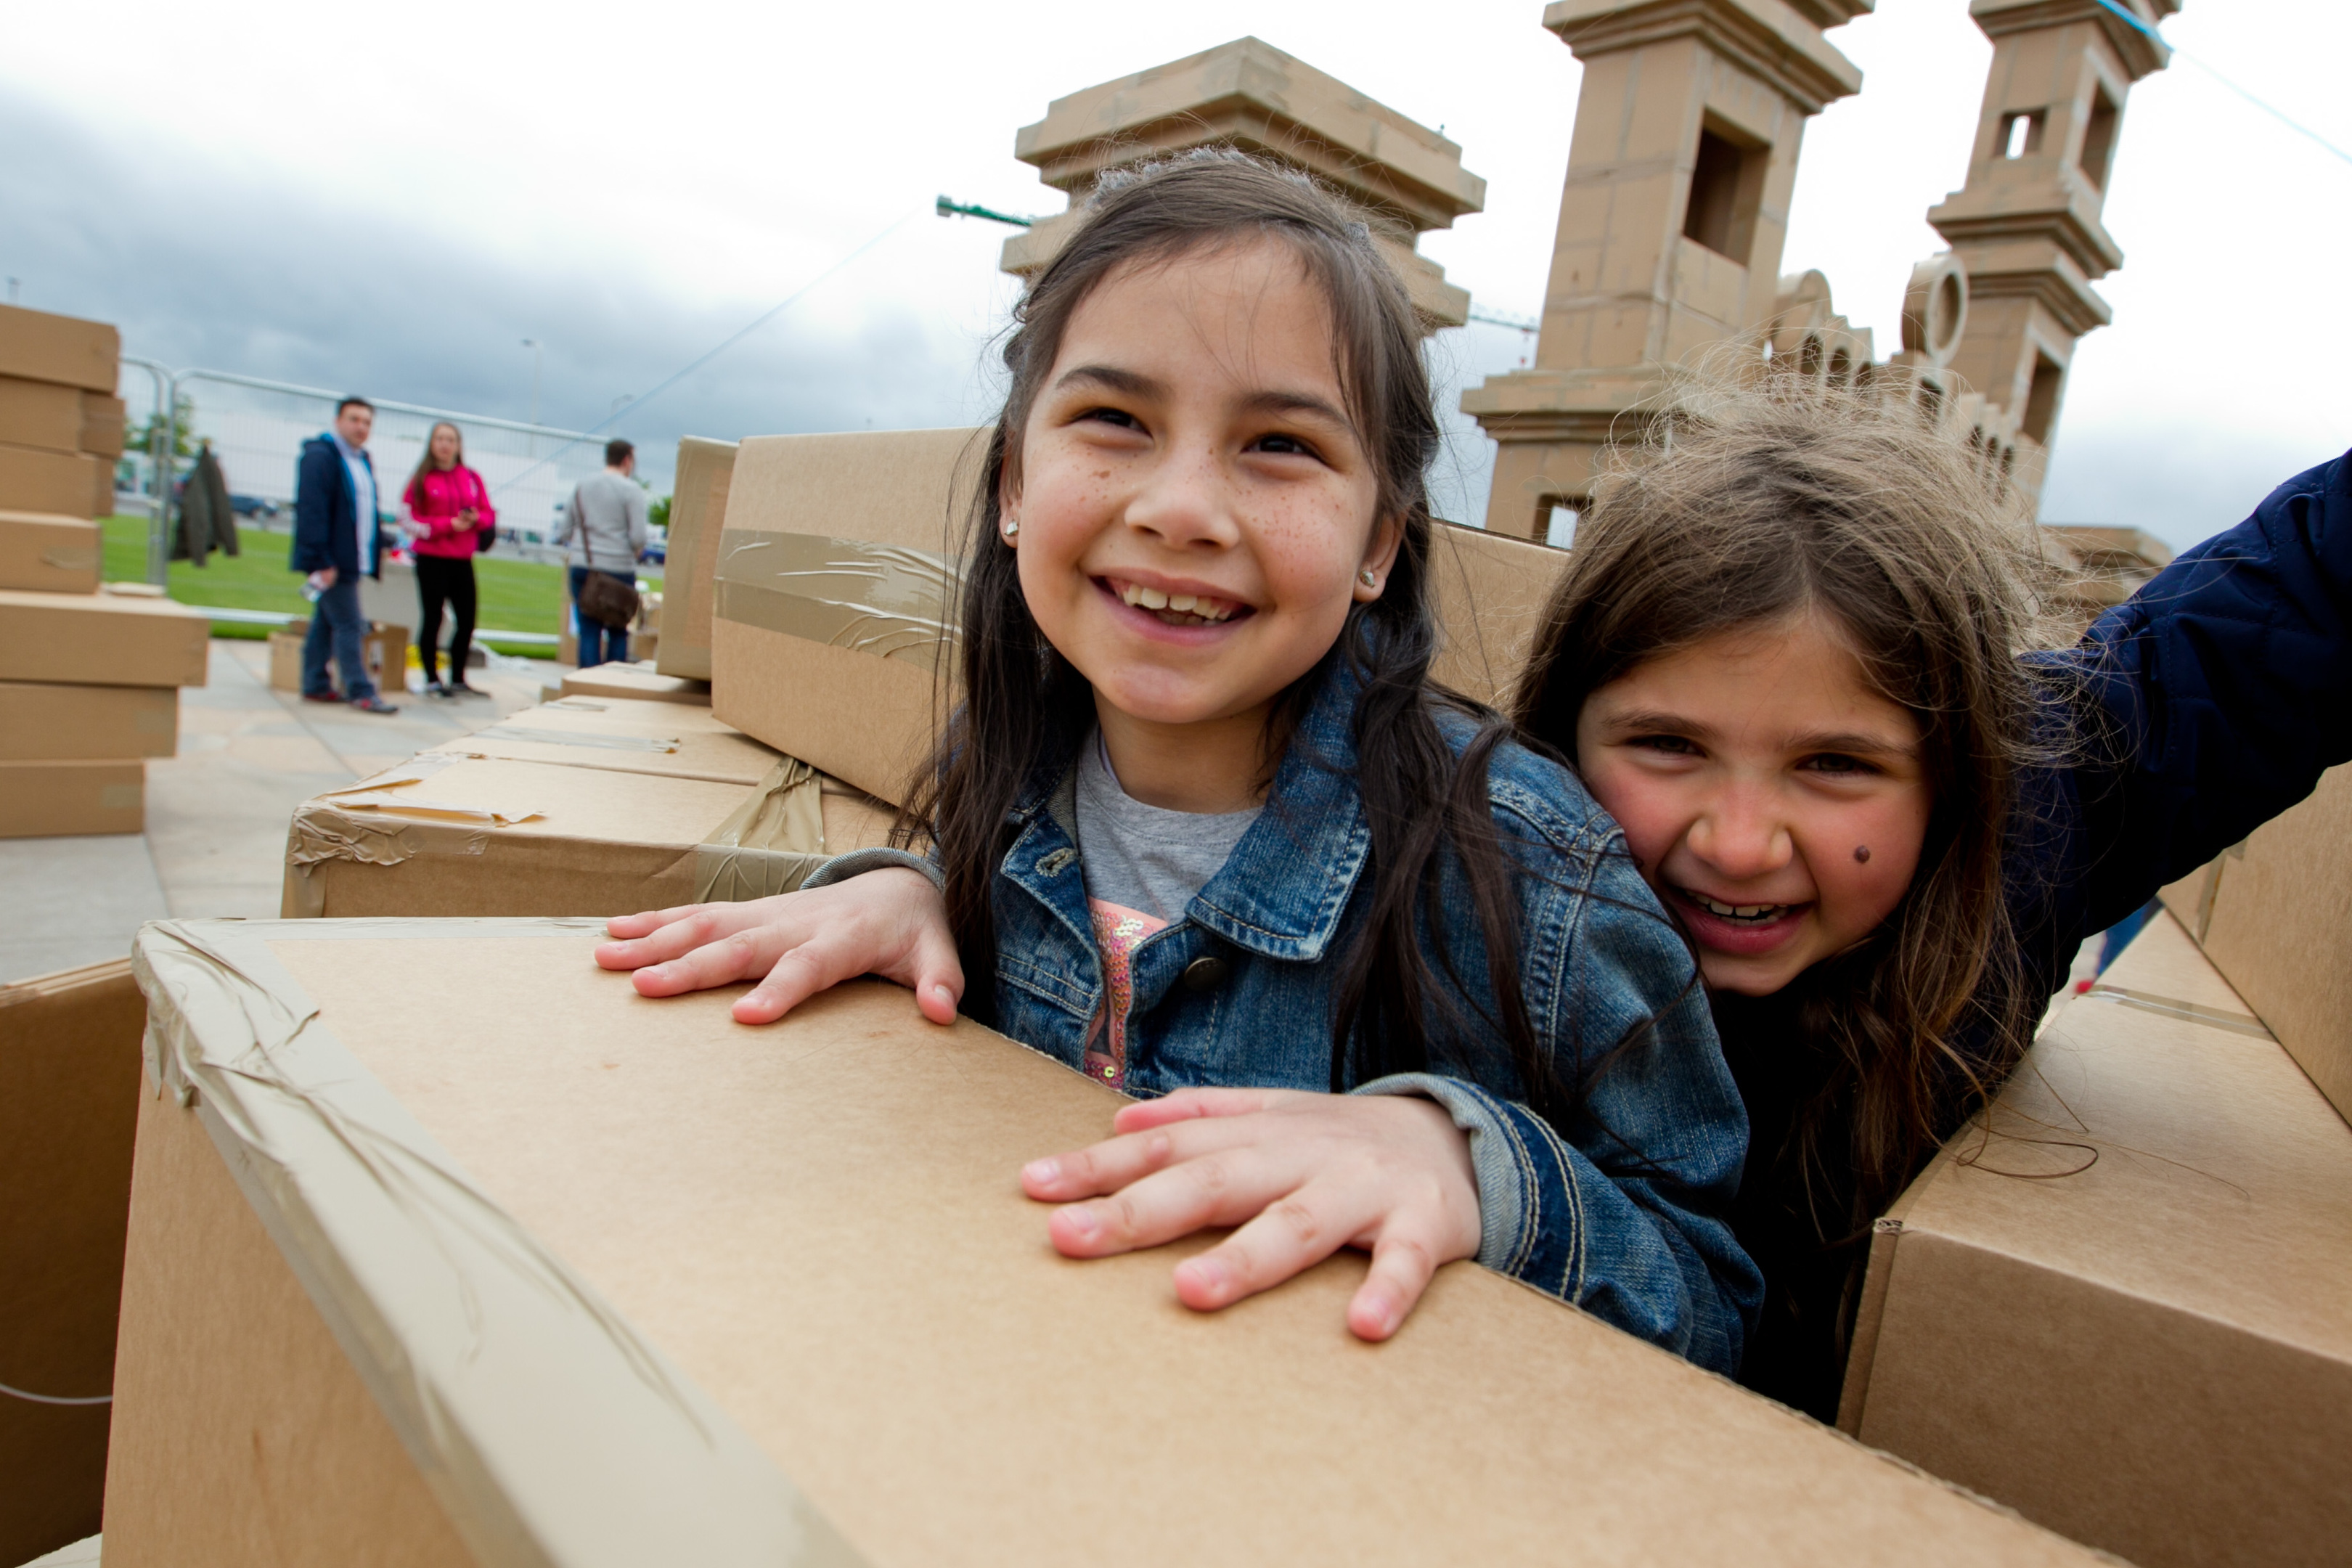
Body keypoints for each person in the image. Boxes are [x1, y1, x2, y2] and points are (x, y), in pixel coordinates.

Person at [591, 154, 1763, 1368]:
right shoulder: (1005, 784)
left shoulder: (1526, 867)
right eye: (1115, 421)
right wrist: (910, 891)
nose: (1182, 506)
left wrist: (1469, 1162)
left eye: (1279, 444)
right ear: (1011, 484)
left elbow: (1718, 1296)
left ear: (1379, 544)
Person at [1506, 378, 2352, 1421]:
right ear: (1559, 732)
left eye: (1834, 764)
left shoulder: (2042, 812)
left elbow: (2300, 600)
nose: (1736, 844)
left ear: (1957, 774)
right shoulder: (1484, 900)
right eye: (1669, 745)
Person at [291, 396, 397, 714]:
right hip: (332, 562)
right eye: (354, 419)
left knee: (325, 624)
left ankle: (315, 684)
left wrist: (382, 541)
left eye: (366, 422)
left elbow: (362, 512)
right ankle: (361, 690)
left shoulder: (361, 459)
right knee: (351, 624)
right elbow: (313, 511)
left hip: (354, 558)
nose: (361, 427)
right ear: (338, 421)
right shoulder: (321, 457)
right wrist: (322, 560)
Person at [403, 420, 494, 698]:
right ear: (432, 444)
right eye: (440, 439)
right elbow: (409, 518)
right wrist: (445, 526)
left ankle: (458, 678)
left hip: (462, 559)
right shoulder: (422, 479)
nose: (445, 445)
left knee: (467, 619)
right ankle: (431, 678)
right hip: (432, 558)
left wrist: (475, 519)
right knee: (433, 618)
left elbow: (488, 514)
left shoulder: (471, 477)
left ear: (458, 445)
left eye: (450, 439)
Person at [556, 438, 650, 668]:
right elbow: (638, 537)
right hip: (618, 569)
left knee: (588, 630)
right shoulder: (631, 490)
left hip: (583, 565)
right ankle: (610, 686)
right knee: (618, 631)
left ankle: (585, 685)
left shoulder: (582, 485)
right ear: (627, 460)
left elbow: (564, 530)